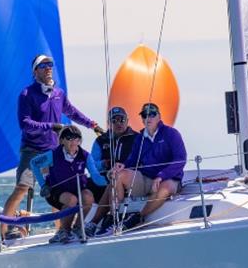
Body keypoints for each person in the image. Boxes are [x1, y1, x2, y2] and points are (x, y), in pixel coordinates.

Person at [2, 54, 104, 219]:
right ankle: (3, 229)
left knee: (59, 189)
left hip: (53, 151)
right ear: (35, 72)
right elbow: (25, 124)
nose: (48, 67)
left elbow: (72, 112)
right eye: (43, 65)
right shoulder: (27, 94)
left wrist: (92, 125)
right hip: (32, 150)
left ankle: (61, 230)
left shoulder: (59, 93)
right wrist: (52, 126)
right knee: (22, 188)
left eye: (50, 64)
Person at [106, 102, 186, 231]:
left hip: (168, 179)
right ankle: (115, 217)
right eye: (144, 115)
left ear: (159, 117)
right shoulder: (140, 138)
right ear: (142, 119)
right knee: (118, 175)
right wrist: (123, 165)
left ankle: (138, 217)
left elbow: (180, 160)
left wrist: (161, 176)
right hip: (146, 179)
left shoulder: (171, 133)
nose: (148, 118)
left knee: (165, 188)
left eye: (152, 114)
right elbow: (133, 160)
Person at [86, 106, 139, 235]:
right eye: (114, 120)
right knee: (82, 188)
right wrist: (105, 164)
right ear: (109, 123)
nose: (118, 123)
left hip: (127, 178)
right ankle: (73, 226)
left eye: (121, 119)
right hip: (104, 179)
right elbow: (92, 164)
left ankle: (98, 221)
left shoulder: (137, 138)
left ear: (127, 120)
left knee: (114, 183)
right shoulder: (101, 141)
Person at [42, 125, 98, 244]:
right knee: (71, 200)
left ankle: (77, 227)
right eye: (69, 138)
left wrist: (110, 179)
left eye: (76, 138)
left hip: (76, 189)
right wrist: (43, 185)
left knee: (88, 196)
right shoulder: (52, 154)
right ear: (62, 140)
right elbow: (33, 164)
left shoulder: (85, 155)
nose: (73, 141)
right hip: (55, 192)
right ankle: (64, 230)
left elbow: (96, 176)